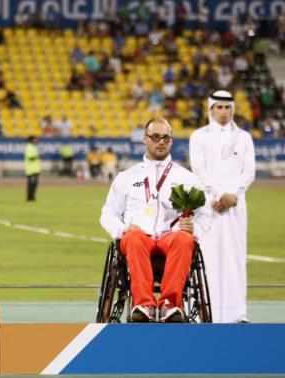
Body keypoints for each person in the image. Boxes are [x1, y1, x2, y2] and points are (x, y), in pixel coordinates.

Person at [100, 118, 210, 323]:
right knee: (134, 238)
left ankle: (170, 304)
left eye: (166, 138)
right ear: (145, 139)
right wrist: (122, 229)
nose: (161, 142)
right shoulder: (126, 177)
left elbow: (205, 214)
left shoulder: (187, 177)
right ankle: (144, 304)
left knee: (184, 239)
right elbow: (107, 214)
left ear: (171, 141)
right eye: (156, 137)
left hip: (172, 238)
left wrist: (195, 228)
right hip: (139, 239)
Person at [189, 90, 256, 323]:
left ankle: (236, 313)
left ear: (233, 109)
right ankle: (202, 312)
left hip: (235, 206)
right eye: (219, 107)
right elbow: (198, 169)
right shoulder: (199, 136)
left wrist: (232, 196)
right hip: (209, 205)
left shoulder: (244, 137)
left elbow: (249, 172)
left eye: (227, 108)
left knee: (235, 257)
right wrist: (219, 194)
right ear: (211, 109)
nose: (224, 112)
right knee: (206, 256)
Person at [24, 136, 40, 201]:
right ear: (31, 140)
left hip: (35, 170)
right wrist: (38, 156)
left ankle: (32, 197)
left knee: (34, 185)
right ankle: (30, 198)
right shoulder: (29, 147)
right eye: (35, 139)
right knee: (31, 185)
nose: (36, 141)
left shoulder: (33, 147)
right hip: (31, 170)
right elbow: (30, 158)